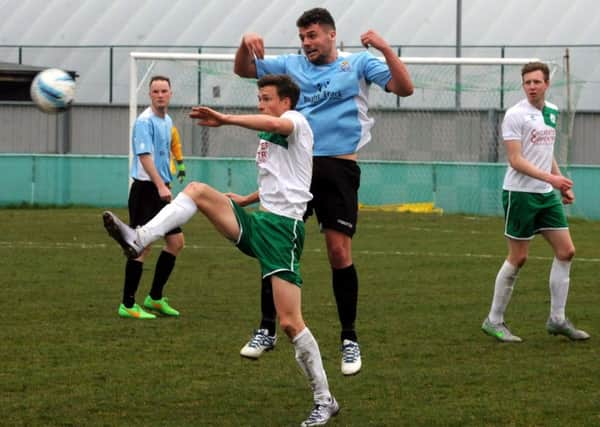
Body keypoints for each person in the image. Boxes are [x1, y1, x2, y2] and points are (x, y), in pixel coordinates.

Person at [103, 74, 340, 426]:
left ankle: (325, 400)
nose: (261, 104)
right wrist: (246, 198)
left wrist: (227, 118)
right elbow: (286, 180)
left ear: (286, 101)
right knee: (197, 190)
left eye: (266, 98)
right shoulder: (272, 131)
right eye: (258, 97)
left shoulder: (295, 121)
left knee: (290, 323)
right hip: (262, 221)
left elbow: (278, 128)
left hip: (283, 233)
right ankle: (140, 237)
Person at [234, 7, 414, 375]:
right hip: (295, 167)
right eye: (302, 37)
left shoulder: (359, 64)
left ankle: (349, 338)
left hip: (337, 167)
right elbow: (244, 69)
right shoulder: (289, 65)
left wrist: (385, 49)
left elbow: (405, 89)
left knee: (338, 252)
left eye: (312, 36)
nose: (306, 44)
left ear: (332, 35)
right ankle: (266, 328)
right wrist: (244, 45)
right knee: (276, 244)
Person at [481, 61, 590, 343]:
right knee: (519, 257)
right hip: (520, 194)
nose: (531, 87)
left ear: (546, 84)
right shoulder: (515, 115)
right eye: (527, 82)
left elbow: (546, 150)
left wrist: (560, 181)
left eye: (536, 82)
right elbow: (516, 160)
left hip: (546, 194)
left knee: (566, 252)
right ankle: (494, 320)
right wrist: (552, 180)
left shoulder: (552, 112)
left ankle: (557, 319)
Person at [110, 75, 184, 319]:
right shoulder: (144, 121)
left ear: (171, 93)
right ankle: (128, 304)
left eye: (164, 90)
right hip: (146, 190)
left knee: (176, 243)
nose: (160, 94)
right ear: (150, 95)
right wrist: (161, 186)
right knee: (141, 245)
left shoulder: (167, 120)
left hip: (161, 189)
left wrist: (168, 181)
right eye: (156, 91)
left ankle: (154, 297)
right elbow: (145, 157)